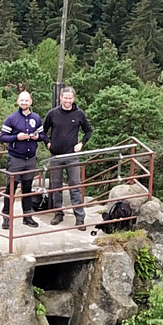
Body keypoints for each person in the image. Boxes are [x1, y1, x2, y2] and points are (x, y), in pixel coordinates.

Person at [43, 84, 92, 227]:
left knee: (75, 185)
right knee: (56, 186)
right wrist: (47, 143)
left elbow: (88, 131)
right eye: (65, 98)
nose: (68, 101)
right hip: (56, 156)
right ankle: (58, 213)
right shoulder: (53, 113)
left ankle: (80, 217)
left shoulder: (79, 114)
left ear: (73, 99)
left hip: (72, 156)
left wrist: (82, 143)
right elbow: (43, 131)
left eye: (70, 98)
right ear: (60, 98)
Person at [0, 89, 43, 230]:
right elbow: (2, 137)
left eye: (26, 100)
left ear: (31, 102)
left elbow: (43, 136)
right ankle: (6, 216)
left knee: (27, 188)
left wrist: (37, 137)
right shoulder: (11, 119)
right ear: (18, 102)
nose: (24, 102)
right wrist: (17, 137)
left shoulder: (36, 118)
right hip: (15, 158)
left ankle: (27, 216)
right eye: (21, 100)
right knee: (10, 188)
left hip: (30, 159)